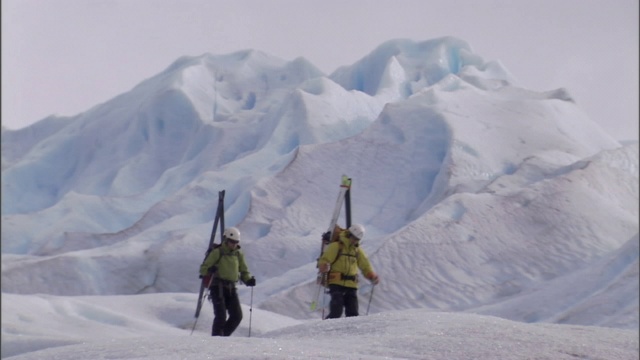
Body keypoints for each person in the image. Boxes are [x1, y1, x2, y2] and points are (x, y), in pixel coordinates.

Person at [199, 226, 256, 336]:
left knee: (237, 316)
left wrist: (248, 280)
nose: (234, 244)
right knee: (221, 316)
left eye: (236, 242)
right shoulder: (217, 252)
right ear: (226, 240)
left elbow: (244, 270)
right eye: (231, 242)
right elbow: (203, 269)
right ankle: (217, 339)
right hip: (217, 287)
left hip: (231, 288)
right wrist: (209, 270)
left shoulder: (238, 254)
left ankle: (221, 337)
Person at [317, 223, 379, 319]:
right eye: (354, 238)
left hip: (351, 285)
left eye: (357, 239)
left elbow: (365, 266)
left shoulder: (357, 251)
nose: (355, 241)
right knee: (336, 311)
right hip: (336, 283)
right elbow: (324, 260)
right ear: (349, 234)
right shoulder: (336, 246)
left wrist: (371, 275)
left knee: (353, 313)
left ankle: (351, 333)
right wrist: (323, 266)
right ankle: (326, 331)